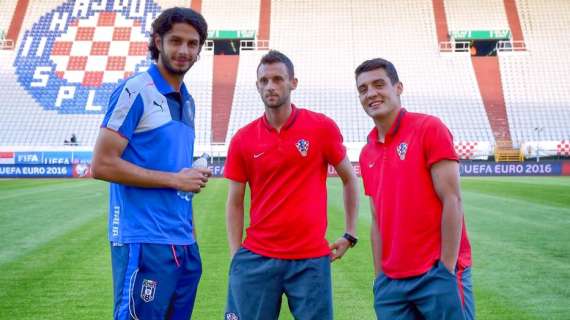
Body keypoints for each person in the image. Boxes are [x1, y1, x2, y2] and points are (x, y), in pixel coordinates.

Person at [91, 7, 210, 320]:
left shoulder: (188, 101)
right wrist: (174, 180)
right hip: (144, 239)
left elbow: (180, 174)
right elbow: (102, 164)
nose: (184, 50)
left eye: (192, 43)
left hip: (183, 242)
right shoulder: (135, 91)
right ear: (158, 41)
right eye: (175, 41)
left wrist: (192, 236)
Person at [224, 50, 360, 320]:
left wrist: (350, 234)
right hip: (257, 257)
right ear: (257, 85)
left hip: (310, 260)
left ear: (293, 83)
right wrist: (235, 255)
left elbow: (350, 179)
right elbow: (235, 201)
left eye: (277, 79)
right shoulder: (243, 139)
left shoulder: (320, 127)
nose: (270, 86)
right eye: (264, 81)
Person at [355, 58, 475, 320]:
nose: (371, 93)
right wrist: (380, 277)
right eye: (363, 89)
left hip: (436, 275)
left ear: (398, 87)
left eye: (378, 84)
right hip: (392, 284)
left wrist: (446, 268)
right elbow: (377, 219)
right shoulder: (366, 153)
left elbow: (452, 200)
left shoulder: (428, 128)